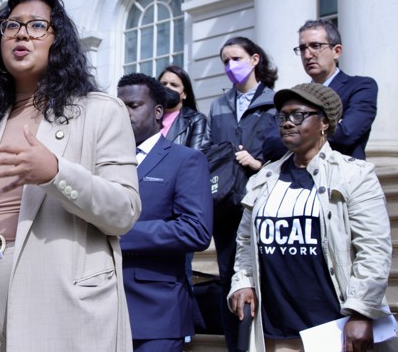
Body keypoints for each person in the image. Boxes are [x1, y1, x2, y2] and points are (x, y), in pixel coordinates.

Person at [0, 0, 141, 351]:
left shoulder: (101, 111)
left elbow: (124, 212)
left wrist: (55, 173)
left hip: (64, 307)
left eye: (38, 25)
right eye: (11, 26)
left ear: (59, 41)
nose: (22, 34)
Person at [229, 83, 393, 352]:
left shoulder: (354, 175)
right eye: (282, 117)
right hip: (274, 329)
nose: (287, 124)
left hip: (332, 328)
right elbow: (246, 241)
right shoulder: (263, 179)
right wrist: (243, 282)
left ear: (324, 123)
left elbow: (374, 250)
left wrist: (362, 312)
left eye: (297, 115)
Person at [117, 73, 213, 351]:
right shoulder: (103, 161)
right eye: (119, 106)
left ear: (158, 111)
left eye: (133, 105)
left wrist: (119, 232)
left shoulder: (186, 160)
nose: (125, 113)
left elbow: (195, 231)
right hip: (102, 306)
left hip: (156, 312)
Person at [209, 36, 284, 351]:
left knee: (267, 277)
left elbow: (283, 149)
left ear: (255, 59)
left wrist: (257, 163)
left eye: (236, 59)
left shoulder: (275, 101)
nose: (230, 66)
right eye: (225, 61)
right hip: (227, 204)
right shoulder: (218, 104)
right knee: (230, 279)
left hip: (264, 198)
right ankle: (236, 345)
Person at [295, 19, 377, 160]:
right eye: (302, 48)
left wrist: (295, 134)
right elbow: (271, 143)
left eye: (315, 46)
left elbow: (346, 134)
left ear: (337, 51)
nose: (307, 55)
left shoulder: (361, 87)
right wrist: (324, 128)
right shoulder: (295, 97)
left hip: (342, 177)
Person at [158, 65, 210, 151]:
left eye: (174, 85)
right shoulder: (149, 118)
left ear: (185, 94)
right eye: (163, 84)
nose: (167, 87)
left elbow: (194, 155)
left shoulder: (196, 120)